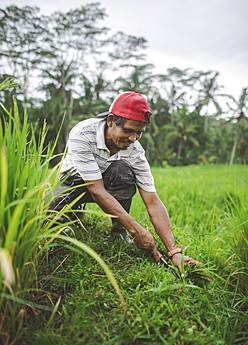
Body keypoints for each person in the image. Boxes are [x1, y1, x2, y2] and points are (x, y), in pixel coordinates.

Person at [48, 91, 201, 276]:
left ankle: (119, 232)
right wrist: (137, 230)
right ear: (111, 120)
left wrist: (174, 251)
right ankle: (75, 211)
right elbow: (95, 188)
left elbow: (153, 201)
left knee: (122, 169)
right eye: (128, 130)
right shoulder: (83, 133)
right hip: (74, 182)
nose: (133, 138)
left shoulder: (135, 152)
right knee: (52, 219)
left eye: (139, 133)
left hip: (108, 185)